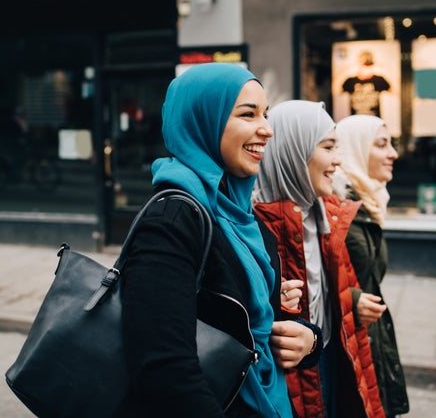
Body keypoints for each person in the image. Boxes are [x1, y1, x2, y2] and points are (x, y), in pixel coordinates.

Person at [119, 63, 321, 417]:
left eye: (266, 114)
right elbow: (164, 369)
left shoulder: (242, 213)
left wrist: (308, 339)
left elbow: (252, 328)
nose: (267, 130)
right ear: (204, 121)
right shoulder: (172, 221)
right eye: (248, 114)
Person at [253, 100, 385, 418]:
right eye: (328, 147)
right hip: (289, 383)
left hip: (331, 358)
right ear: (292, 152)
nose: (338, 161)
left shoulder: (328, 216)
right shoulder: (253, 226)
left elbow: (333, 290)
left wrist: (351, 300)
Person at [332, 114, 409, 418]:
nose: (393, 154)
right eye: (381, 145)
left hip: (367, 340)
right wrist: (351, 299)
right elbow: (315, 278)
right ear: (355, 149)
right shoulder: (337, 209)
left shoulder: (368, 205)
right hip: (346, 346)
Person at [342, 50, 391, 118]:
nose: (366, 68)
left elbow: (395, 92)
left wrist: (386, 69)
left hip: (374, 120)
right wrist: (345, 70)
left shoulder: (378, 80)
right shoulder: (351, 81)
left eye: (368, 64)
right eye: (364, 64)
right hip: (356, 120)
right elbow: (336, 91)